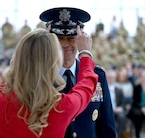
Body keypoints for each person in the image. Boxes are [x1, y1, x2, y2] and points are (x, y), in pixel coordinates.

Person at [0, 28, 98, 138]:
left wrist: (38, 41)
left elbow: (14, 79)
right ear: (54, 62)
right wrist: (85, 54)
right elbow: (86, 86)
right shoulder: (62, 106)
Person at [39, 7, 116, 138]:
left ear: (81, 39)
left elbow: (106, 126)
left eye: (71, 38)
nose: (64, 44)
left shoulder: (97, 75)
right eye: (59, 39)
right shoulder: (39, 75)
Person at [127, 70, 145, 138]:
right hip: (138, 108)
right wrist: (143, 109)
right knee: (138, 116)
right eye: (143, 77)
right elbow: (135, 101)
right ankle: (137, 135)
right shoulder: (137, 87)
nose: (144, 78)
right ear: (140, 78)